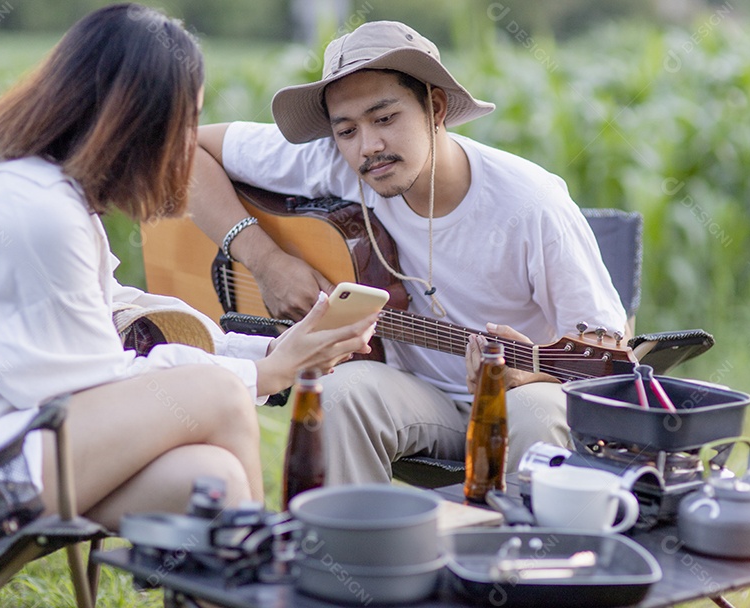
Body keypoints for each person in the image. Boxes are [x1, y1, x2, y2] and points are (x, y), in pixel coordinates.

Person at [0, 4, 375, 572]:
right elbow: (106, 386)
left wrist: (269, 350)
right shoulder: (37, 214)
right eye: (186, 122)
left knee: (211, 480)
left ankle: (243, 584)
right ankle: (274, 582)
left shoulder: (51, 198)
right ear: (137, 121)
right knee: (220, 396)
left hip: (6, 449)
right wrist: (267, 373)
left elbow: (120, 327)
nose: (189, 144)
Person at [188, 20, 627, 484]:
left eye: (384, 119)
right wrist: (266, 261)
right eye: (346, 130)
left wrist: (527, 375)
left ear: (435, 107)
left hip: (518, 399)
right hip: (415, 397)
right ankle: (351, 531)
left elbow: (611, 362)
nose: (368, 147)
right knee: (339, 393)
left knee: (536, 411)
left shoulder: (532, 205)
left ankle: (520, 533)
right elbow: (184, 148)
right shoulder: (336, 161)